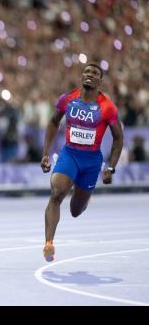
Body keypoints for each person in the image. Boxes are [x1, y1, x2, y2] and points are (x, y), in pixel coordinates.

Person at [40, 63, 123, 262]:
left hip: (91, 161)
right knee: (57, 193)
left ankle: (84, 194)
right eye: (87, 71)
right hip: (69, 154)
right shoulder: (67, 99)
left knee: (76, 211)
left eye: (95, 73)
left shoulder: (107, 107)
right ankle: (49, 243)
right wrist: (45, 154)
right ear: (82, 76)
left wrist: (111, 167)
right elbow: (53, 122)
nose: (90, 75)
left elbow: (118, 138)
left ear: (99, 81)